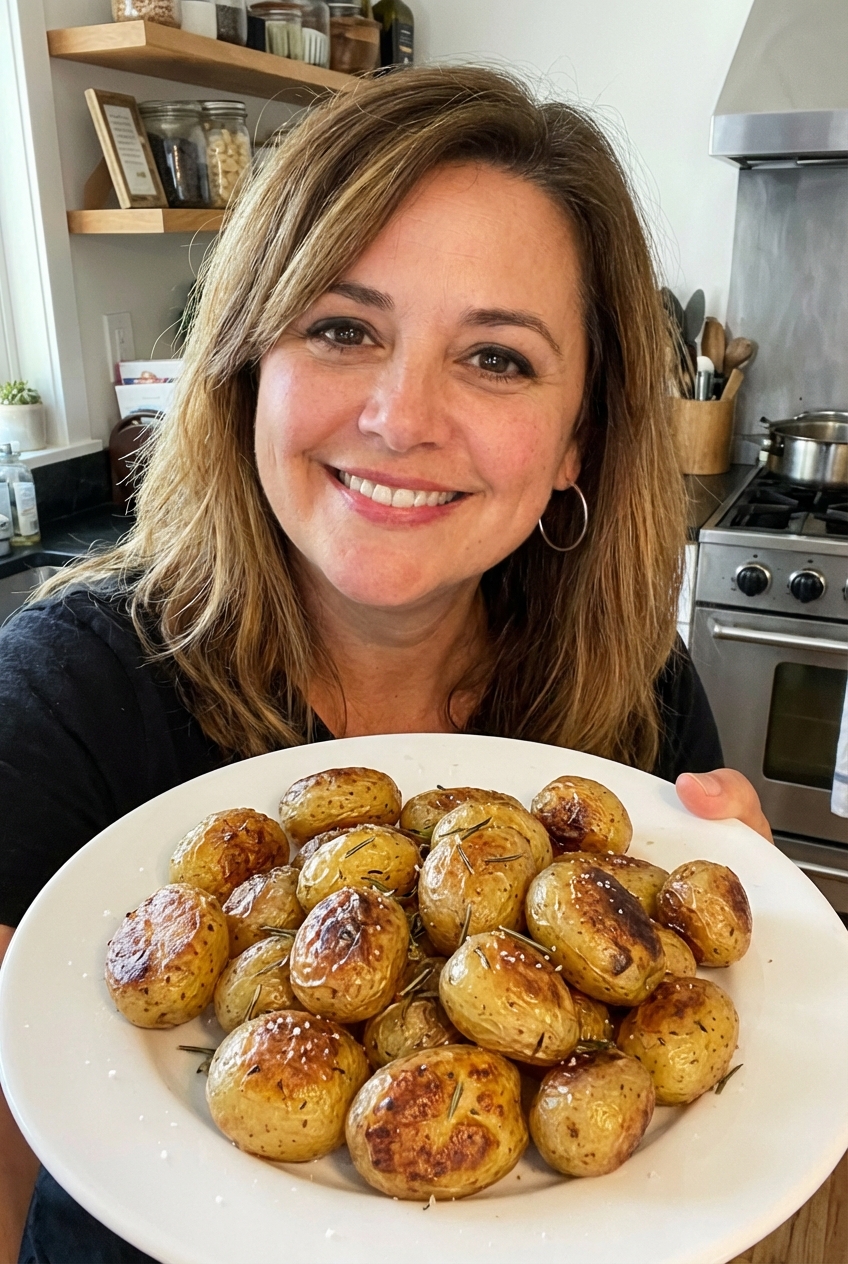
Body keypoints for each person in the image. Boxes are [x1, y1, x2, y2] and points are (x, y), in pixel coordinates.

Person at [0, 65, 771, 1263]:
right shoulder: (66, 693)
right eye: (342, 328)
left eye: (498, 358)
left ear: (576, 438)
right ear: (249, 367)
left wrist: (752, 926)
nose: (401, 417)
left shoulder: (640, 686)